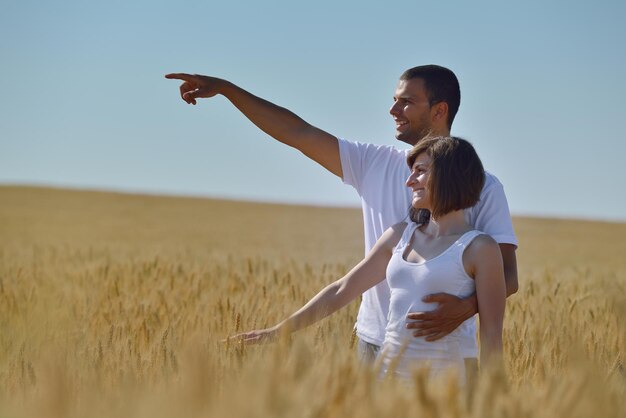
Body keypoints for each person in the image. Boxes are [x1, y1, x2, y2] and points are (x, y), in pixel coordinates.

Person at [165, 65, 518, 367]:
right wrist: (228, 90)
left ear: (440, 110)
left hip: (444, 351)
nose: (393, 109)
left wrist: (464, 309)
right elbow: (297, 133)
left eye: (406, 101)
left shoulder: (484, 187)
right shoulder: (374, 164)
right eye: (394, 100)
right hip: (374, 342)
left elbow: (506, 275)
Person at [231, 136, 506, 383]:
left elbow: (492, 335)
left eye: (420, 172)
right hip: (386, 381)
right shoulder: (401, 235)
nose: (409, 181)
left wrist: (492, 400)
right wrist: (280, 330)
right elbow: (342, 289)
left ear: (449, 176)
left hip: (448, 387)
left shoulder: (480, 248)